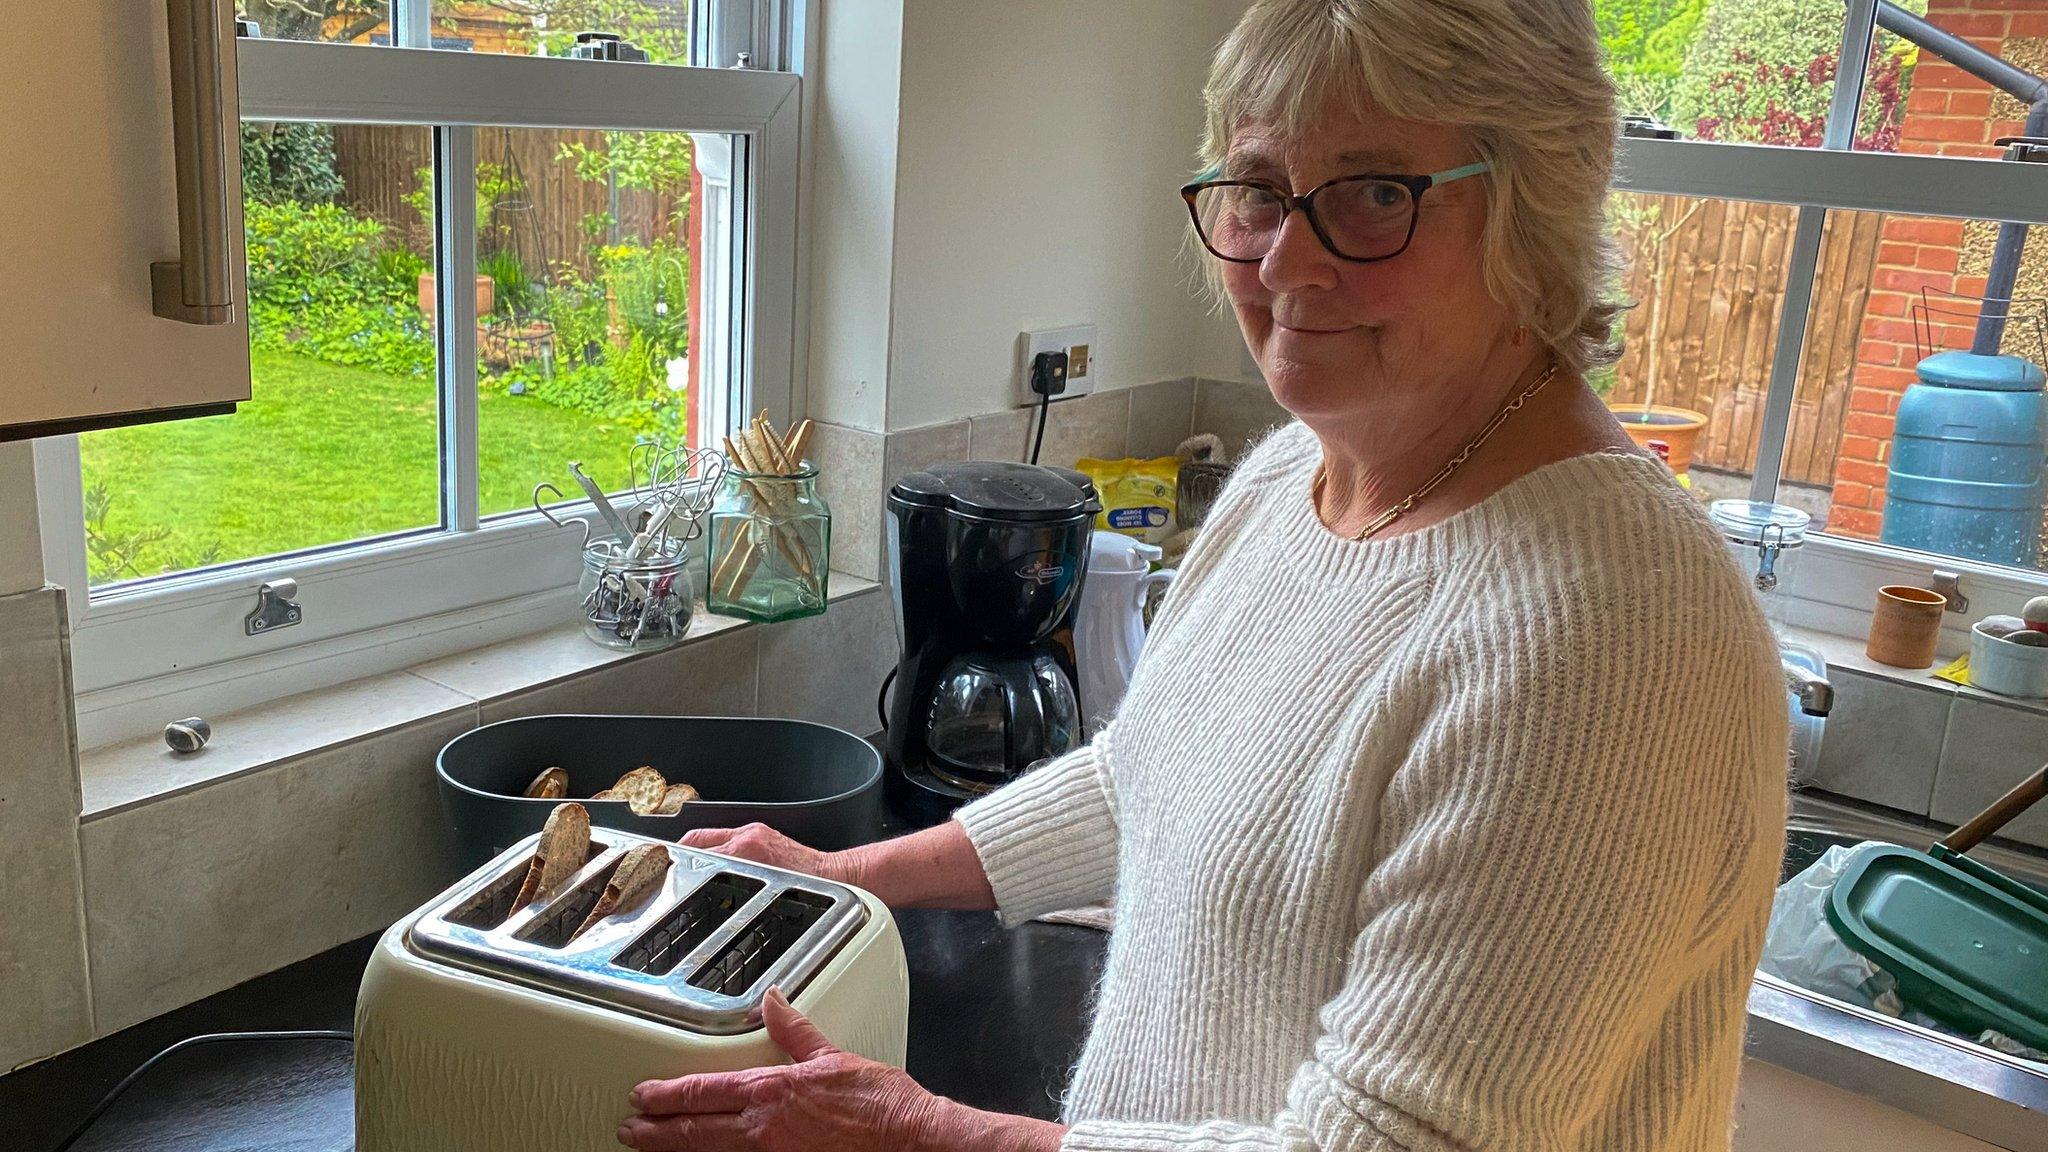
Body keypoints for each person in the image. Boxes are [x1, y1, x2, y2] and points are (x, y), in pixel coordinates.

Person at [616, 1, 1787, 1148]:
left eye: (1376, 193)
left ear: (1536, 201)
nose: (1287, 262)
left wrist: (926, 1134)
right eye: (1260, 192)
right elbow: (1147, 777)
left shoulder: (1613, 630)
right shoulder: (1295, 480)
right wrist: (844, 872)